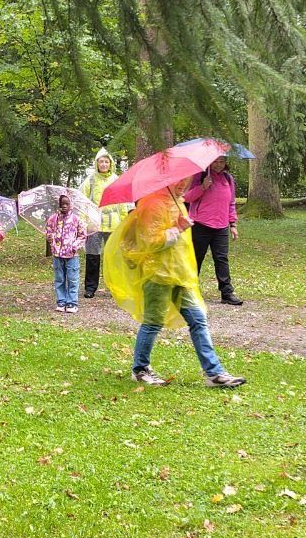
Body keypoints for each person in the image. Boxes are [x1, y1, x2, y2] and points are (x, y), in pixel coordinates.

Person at [103, 181, 246, 388]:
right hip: (158, 275)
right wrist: (178, 227)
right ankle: (140, 369)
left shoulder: (177, 202)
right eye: (180, 182)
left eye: (187, 181)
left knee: (198, 319)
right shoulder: (152, 204)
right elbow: (150, 242)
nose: (184, 185)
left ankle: (214, 373)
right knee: (153, 322)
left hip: (179, 274)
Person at [183, 157, 242, 306]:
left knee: (221, 259)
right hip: (200, 224)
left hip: (221, 226)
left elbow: (231, 202)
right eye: (215, 162)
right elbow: (187, 197)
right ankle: (188, 291)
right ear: (209, 162)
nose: (218, 165)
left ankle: (227, 292)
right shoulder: (199, 176)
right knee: (196, 258)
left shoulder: (228, 178)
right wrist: (202, 187)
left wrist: (232, 223)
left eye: (221, 162)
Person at [80, 148, 130, 298]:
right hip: (95, 223)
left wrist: (123, 222)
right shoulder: (90, 180)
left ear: (110, 163)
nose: (103, 164)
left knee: (114, 258)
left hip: (113, 223)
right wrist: (83, 221)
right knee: (92, 256)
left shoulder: (116, 179)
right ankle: (90, 288)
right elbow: (82, 201)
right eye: (101, 161)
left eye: (106, 161)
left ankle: (116, 288)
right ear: (97, 163)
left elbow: (123, 203)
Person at [45, 192, 86, 313]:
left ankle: (72, 303)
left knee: (72, 279)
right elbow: (49, 231)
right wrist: (50, 238)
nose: (64, 206)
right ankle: (61, 301)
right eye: (62, 204)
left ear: (71, 205)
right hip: (57, 254)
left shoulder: (76, 219)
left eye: (66, 204)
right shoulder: (53, 218)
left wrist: (75, 245)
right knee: (59, 279)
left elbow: (82, 236)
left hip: (72, 255)